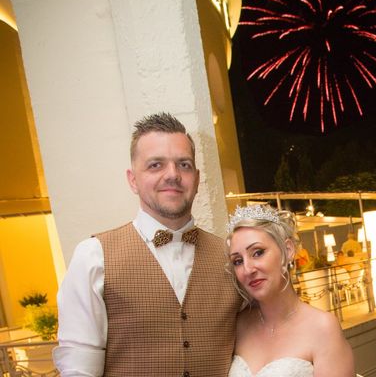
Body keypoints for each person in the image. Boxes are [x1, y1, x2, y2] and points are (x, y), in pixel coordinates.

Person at [54, 112, 241, 376]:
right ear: (133, 180)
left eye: (184, 165)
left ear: (197, 179)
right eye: (156, 165)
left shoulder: (231, 256)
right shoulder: (93, 256)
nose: (172, 175)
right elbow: (79, 371)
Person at [226, 205, 354, 377]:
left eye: (257, 253)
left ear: (287, 250)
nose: (247, 269)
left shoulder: (322, 328)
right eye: (238, 261)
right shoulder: (239, 324)